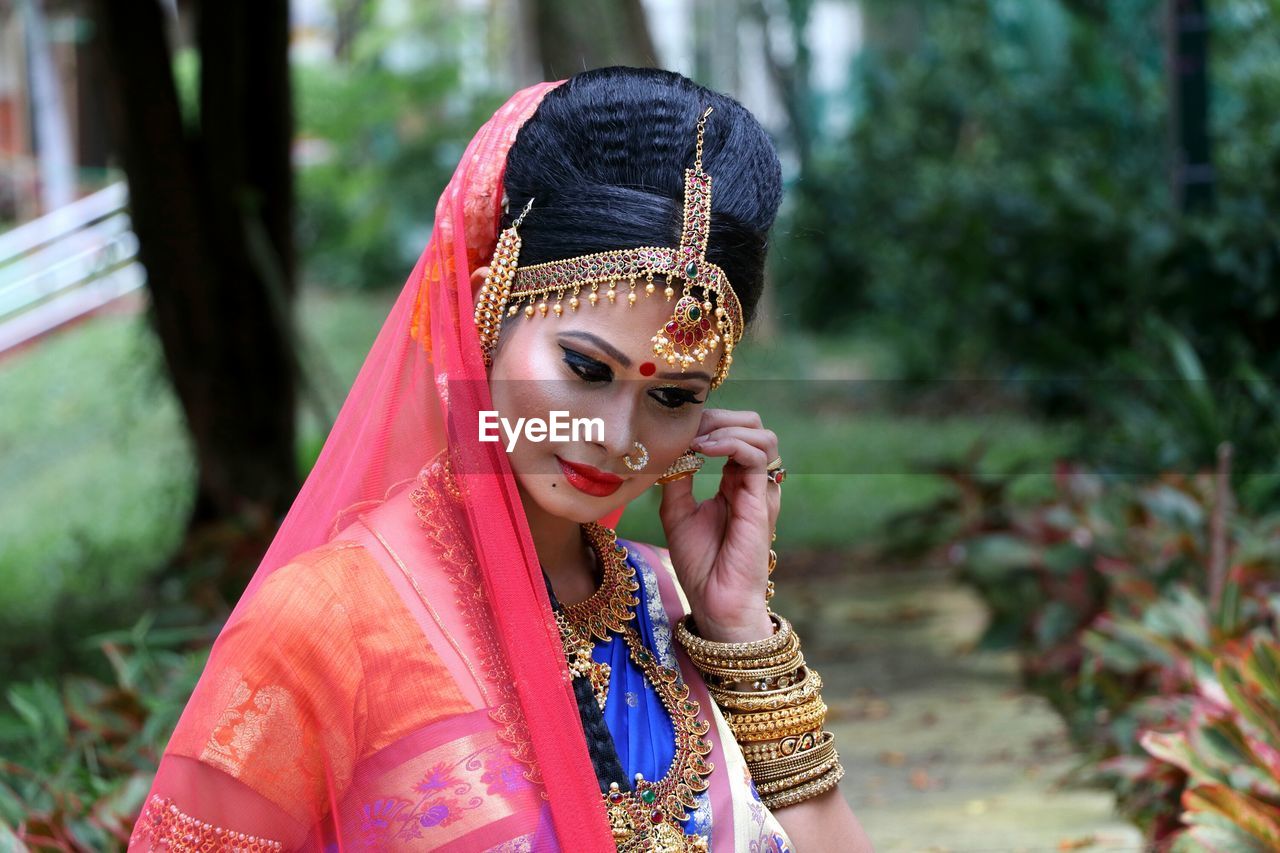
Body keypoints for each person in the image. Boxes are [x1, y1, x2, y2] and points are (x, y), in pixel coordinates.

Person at [129, 67, 875, 852]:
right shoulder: (330, 624)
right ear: (487, 306)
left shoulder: (675, 610)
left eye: (673, 397)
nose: (618, 433)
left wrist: (742, 633)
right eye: (587, 369)